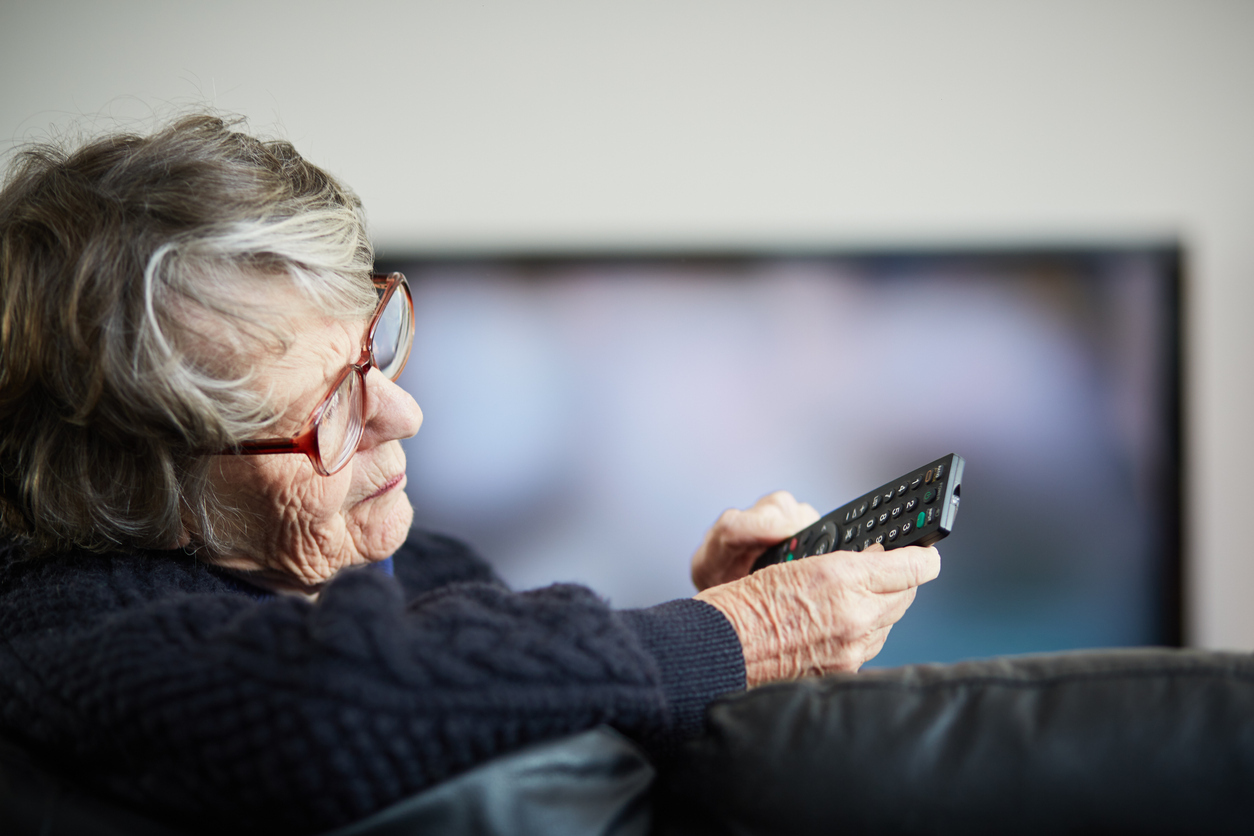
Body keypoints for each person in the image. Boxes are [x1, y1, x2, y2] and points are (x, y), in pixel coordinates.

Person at [0, 114, 940, 834]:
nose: (402, 414)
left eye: (376, 348)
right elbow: (336, 704)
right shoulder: (59, 630)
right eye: (328, 414)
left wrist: (711, 641)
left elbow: (532, 743)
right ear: (137, 491)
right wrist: (735, 637)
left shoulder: (425, 564)